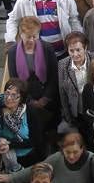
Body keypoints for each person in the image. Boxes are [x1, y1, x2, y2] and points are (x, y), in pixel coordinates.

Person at [6, 16, 59, 151]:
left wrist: (45, 98)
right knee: (36, 132)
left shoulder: (47, 48)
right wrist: (29, 100)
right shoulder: (12, 52)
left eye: (34, 36)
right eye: (28, 36)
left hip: (49, 96)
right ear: (21, 34)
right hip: (27, 98)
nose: (31, 40)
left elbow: (54, 76)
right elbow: (14, 81)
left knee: (53, 128)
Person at [6, 0, 81, 56]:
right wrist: (10, 40)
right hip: (38, 54)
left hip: (64, 52)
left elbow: (74, 20)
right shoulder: (24, 1)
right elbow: (12, 20)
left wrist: (78, 40)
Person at [58, 32, 94, 130]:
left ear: (85, 47)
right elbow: (63, 94)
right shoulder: (62, 65)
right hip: (76, 112)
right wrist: (69, 118)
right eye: (71, 51)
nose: (75, 54)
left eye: (78, 50)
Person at [0, 78, 34, 167]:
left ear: (21, 98)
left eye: (14, 95)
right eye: (7, 93)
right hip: (7, 157)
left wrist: (10, 144)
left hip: (28, 157)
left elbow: (34, 141)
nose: (9, 98)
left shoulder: (30, 111)